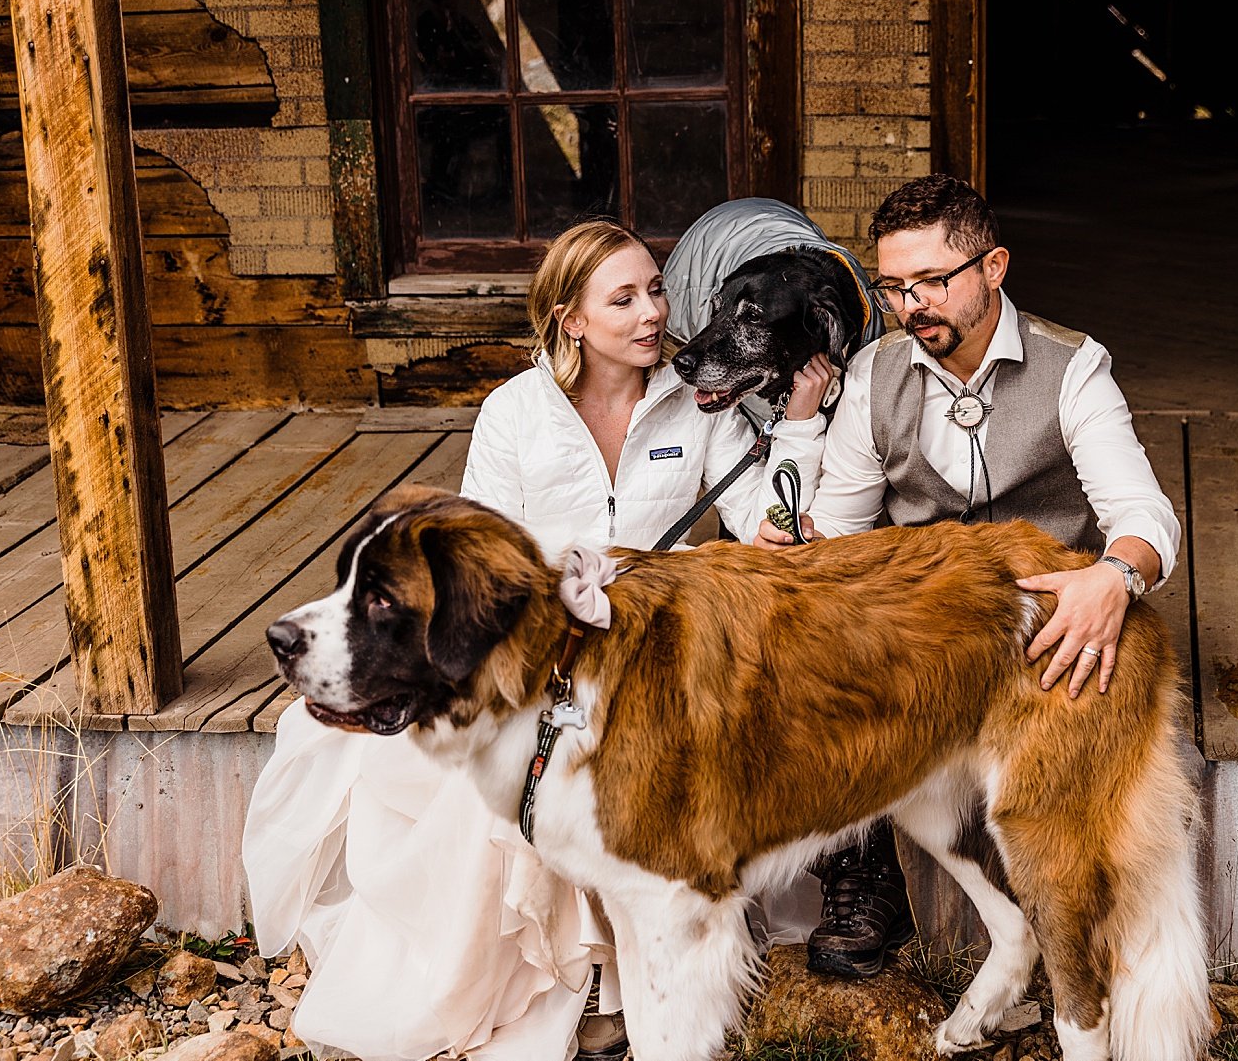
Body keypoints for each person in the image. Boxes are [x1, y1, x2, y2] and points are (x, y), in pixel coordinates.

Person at [245, 219, 831, 1061]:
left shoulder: (695, 396)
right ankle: (553, 990)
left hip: (649, 647)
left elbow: (760, 519)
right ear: (571, 320)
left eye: (657, 290)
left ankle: (629, 988)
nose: (652, 314)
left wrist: (800, 434)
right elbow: (478, 551)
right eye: (623, 298)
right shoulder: (514, 412)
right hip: (533, 644)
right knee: (508, 770)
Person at [754, 174, 1182, 980]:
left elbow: (1146, 513)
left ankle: (1099, 946)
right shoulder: (876, 376)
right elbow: (842, 534)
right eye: (893, 288)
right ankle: (858, 868)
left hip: (1046, 627)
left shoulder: (1073, 367)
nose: (912, 304)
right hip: (928, 632)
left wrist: (1115, 577)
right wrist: (798, 544)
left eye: (932, 282)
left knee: (1091, 784)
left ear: (994, 267)